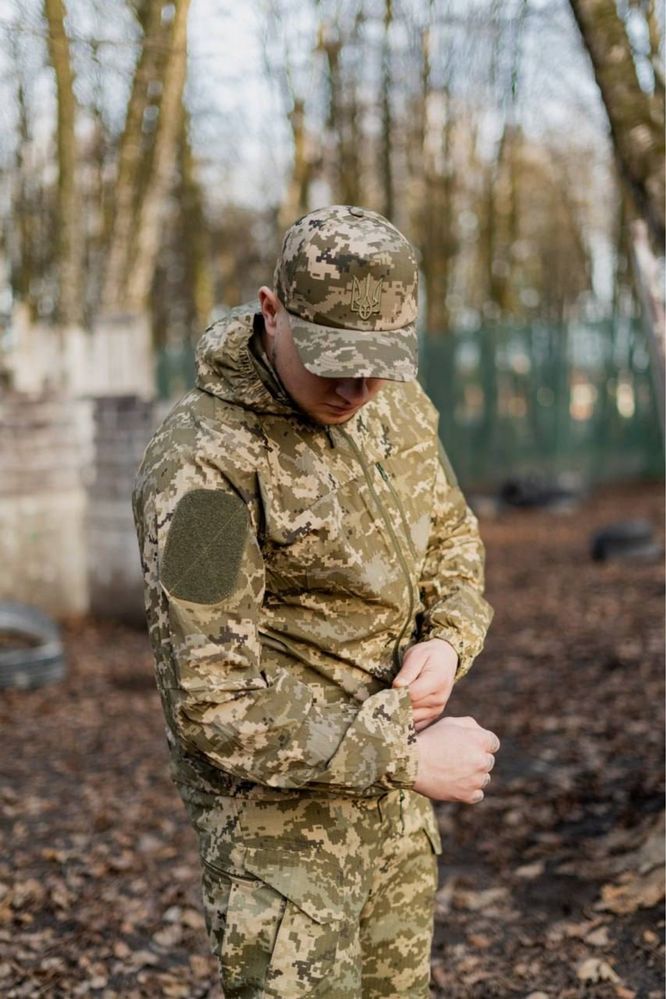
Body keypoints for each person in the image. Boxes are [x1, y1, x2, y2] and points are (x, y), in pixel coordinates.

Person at [132, 205, 499, 998]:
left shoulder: (393, 404)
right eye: (333, 356)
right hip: (282, 855)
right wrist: (406, 756)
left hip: (395, 821)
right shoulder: (201, 470)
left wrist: (449, 638)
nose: (355, 387)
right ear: (271, 312)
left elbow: (451, 539)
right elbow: (213, 698)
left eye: (378, 362)